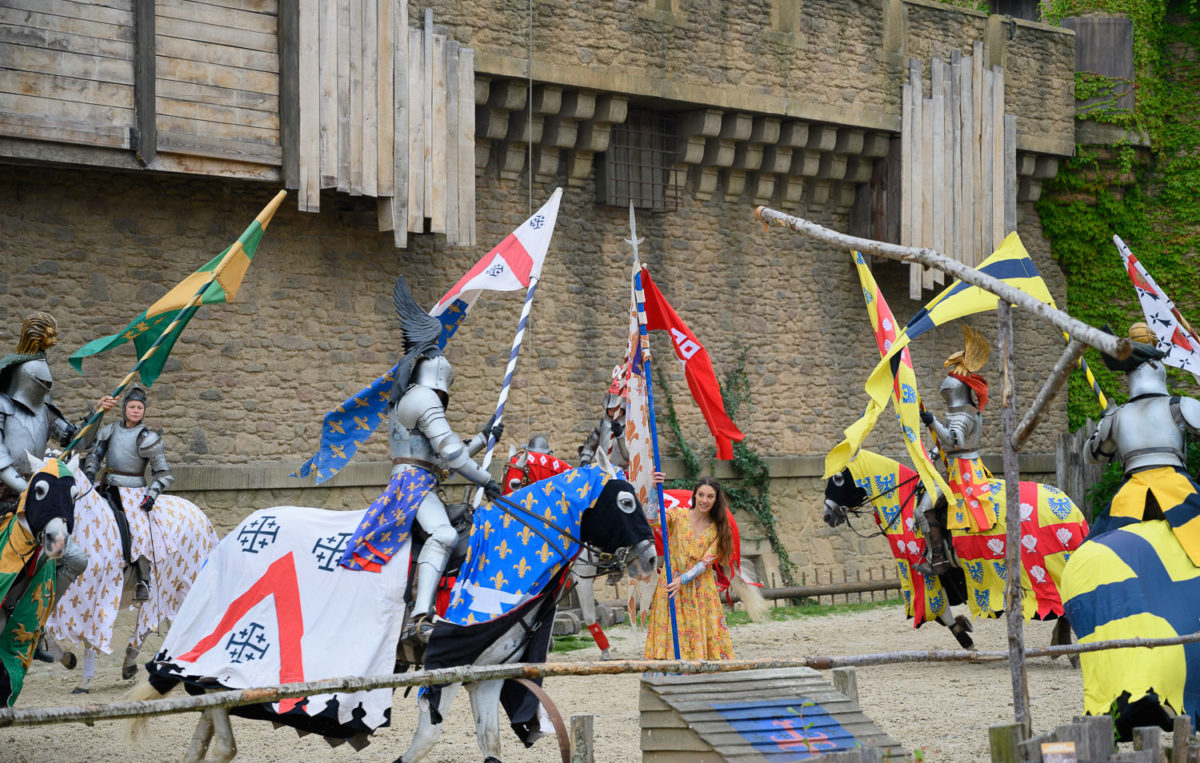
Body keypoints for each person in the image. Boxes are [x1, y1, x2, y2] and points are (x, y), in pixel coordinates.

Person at [338, 276, 502, 645]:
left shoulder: (409, 397)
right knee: (443, 535)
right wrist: (484, 480)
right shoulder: (424, 397)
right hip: (413, 485)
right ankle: (420, 617)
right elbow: (449, 453)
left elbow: (440, 457)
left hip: (421, 477)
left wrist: (484, 437)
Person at [0, 312, 115, 608]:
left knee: (74, 558)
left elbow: (77, 440)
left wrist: (97, 413)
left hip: (34, 499)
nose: (45, 385)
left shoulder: (46, 411)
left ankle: (34, 621)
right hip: (4, 496)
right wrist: (22, 488)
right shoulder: (1, 405)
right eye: (39, 380)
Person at [1086, 323, 1200, 565]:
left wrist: (1107, 420)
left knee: (1097, 556)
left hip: (1130, 498)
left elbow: (1092, 455)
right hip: (1177, 489)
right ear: (1157, 369)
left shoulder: (1117, 416)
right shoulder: (1181, 405)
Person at [82, 385, 173, 602]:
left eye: (139, 408)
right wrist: (89, 472)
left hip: (134, 491)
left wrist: (152, 495)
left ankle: (143, 579)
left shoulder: (148, 438)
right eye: (131, 406)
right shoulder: (110, 430)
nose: (135, 411)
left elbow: (162, 473)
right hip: (107, 487)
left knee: (140, 530)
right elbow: (95, 454)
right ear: (124, 409)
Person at [919, 324, 997, 545]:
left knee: (924, 510)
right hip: (954, 465)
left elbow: (955, 440)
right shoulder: (959, 413)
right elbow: (947, 443)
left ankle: (937, 558)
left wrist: (932, 422)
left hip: (963, 470)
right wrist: (932, 454)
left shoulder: (964, 414)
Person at [643, 473, 735, 660]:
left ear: (716, 500)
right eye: (701, 495)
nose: (704, 500)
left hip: (701, 591)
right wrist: (653, 489)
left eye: (710, 496)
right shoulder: (677, 515)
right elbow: (651, 521)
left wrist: (682, 580)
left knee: (699, 631)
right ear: (694, 495)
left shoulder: (719, 528)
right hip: (671, 587)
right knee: (670, 631)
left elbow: (705, 563)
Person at [579, 368, 629, 469]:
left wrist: (620, 435)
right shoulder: (603, 423)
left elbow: (628, 456)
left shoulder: (630, 426)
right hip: (602, 469)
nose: (612, 413)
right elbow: (590, 446)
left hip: (622, 472)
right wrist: (585, 461)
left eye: (616, 409)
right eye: (610, 408)